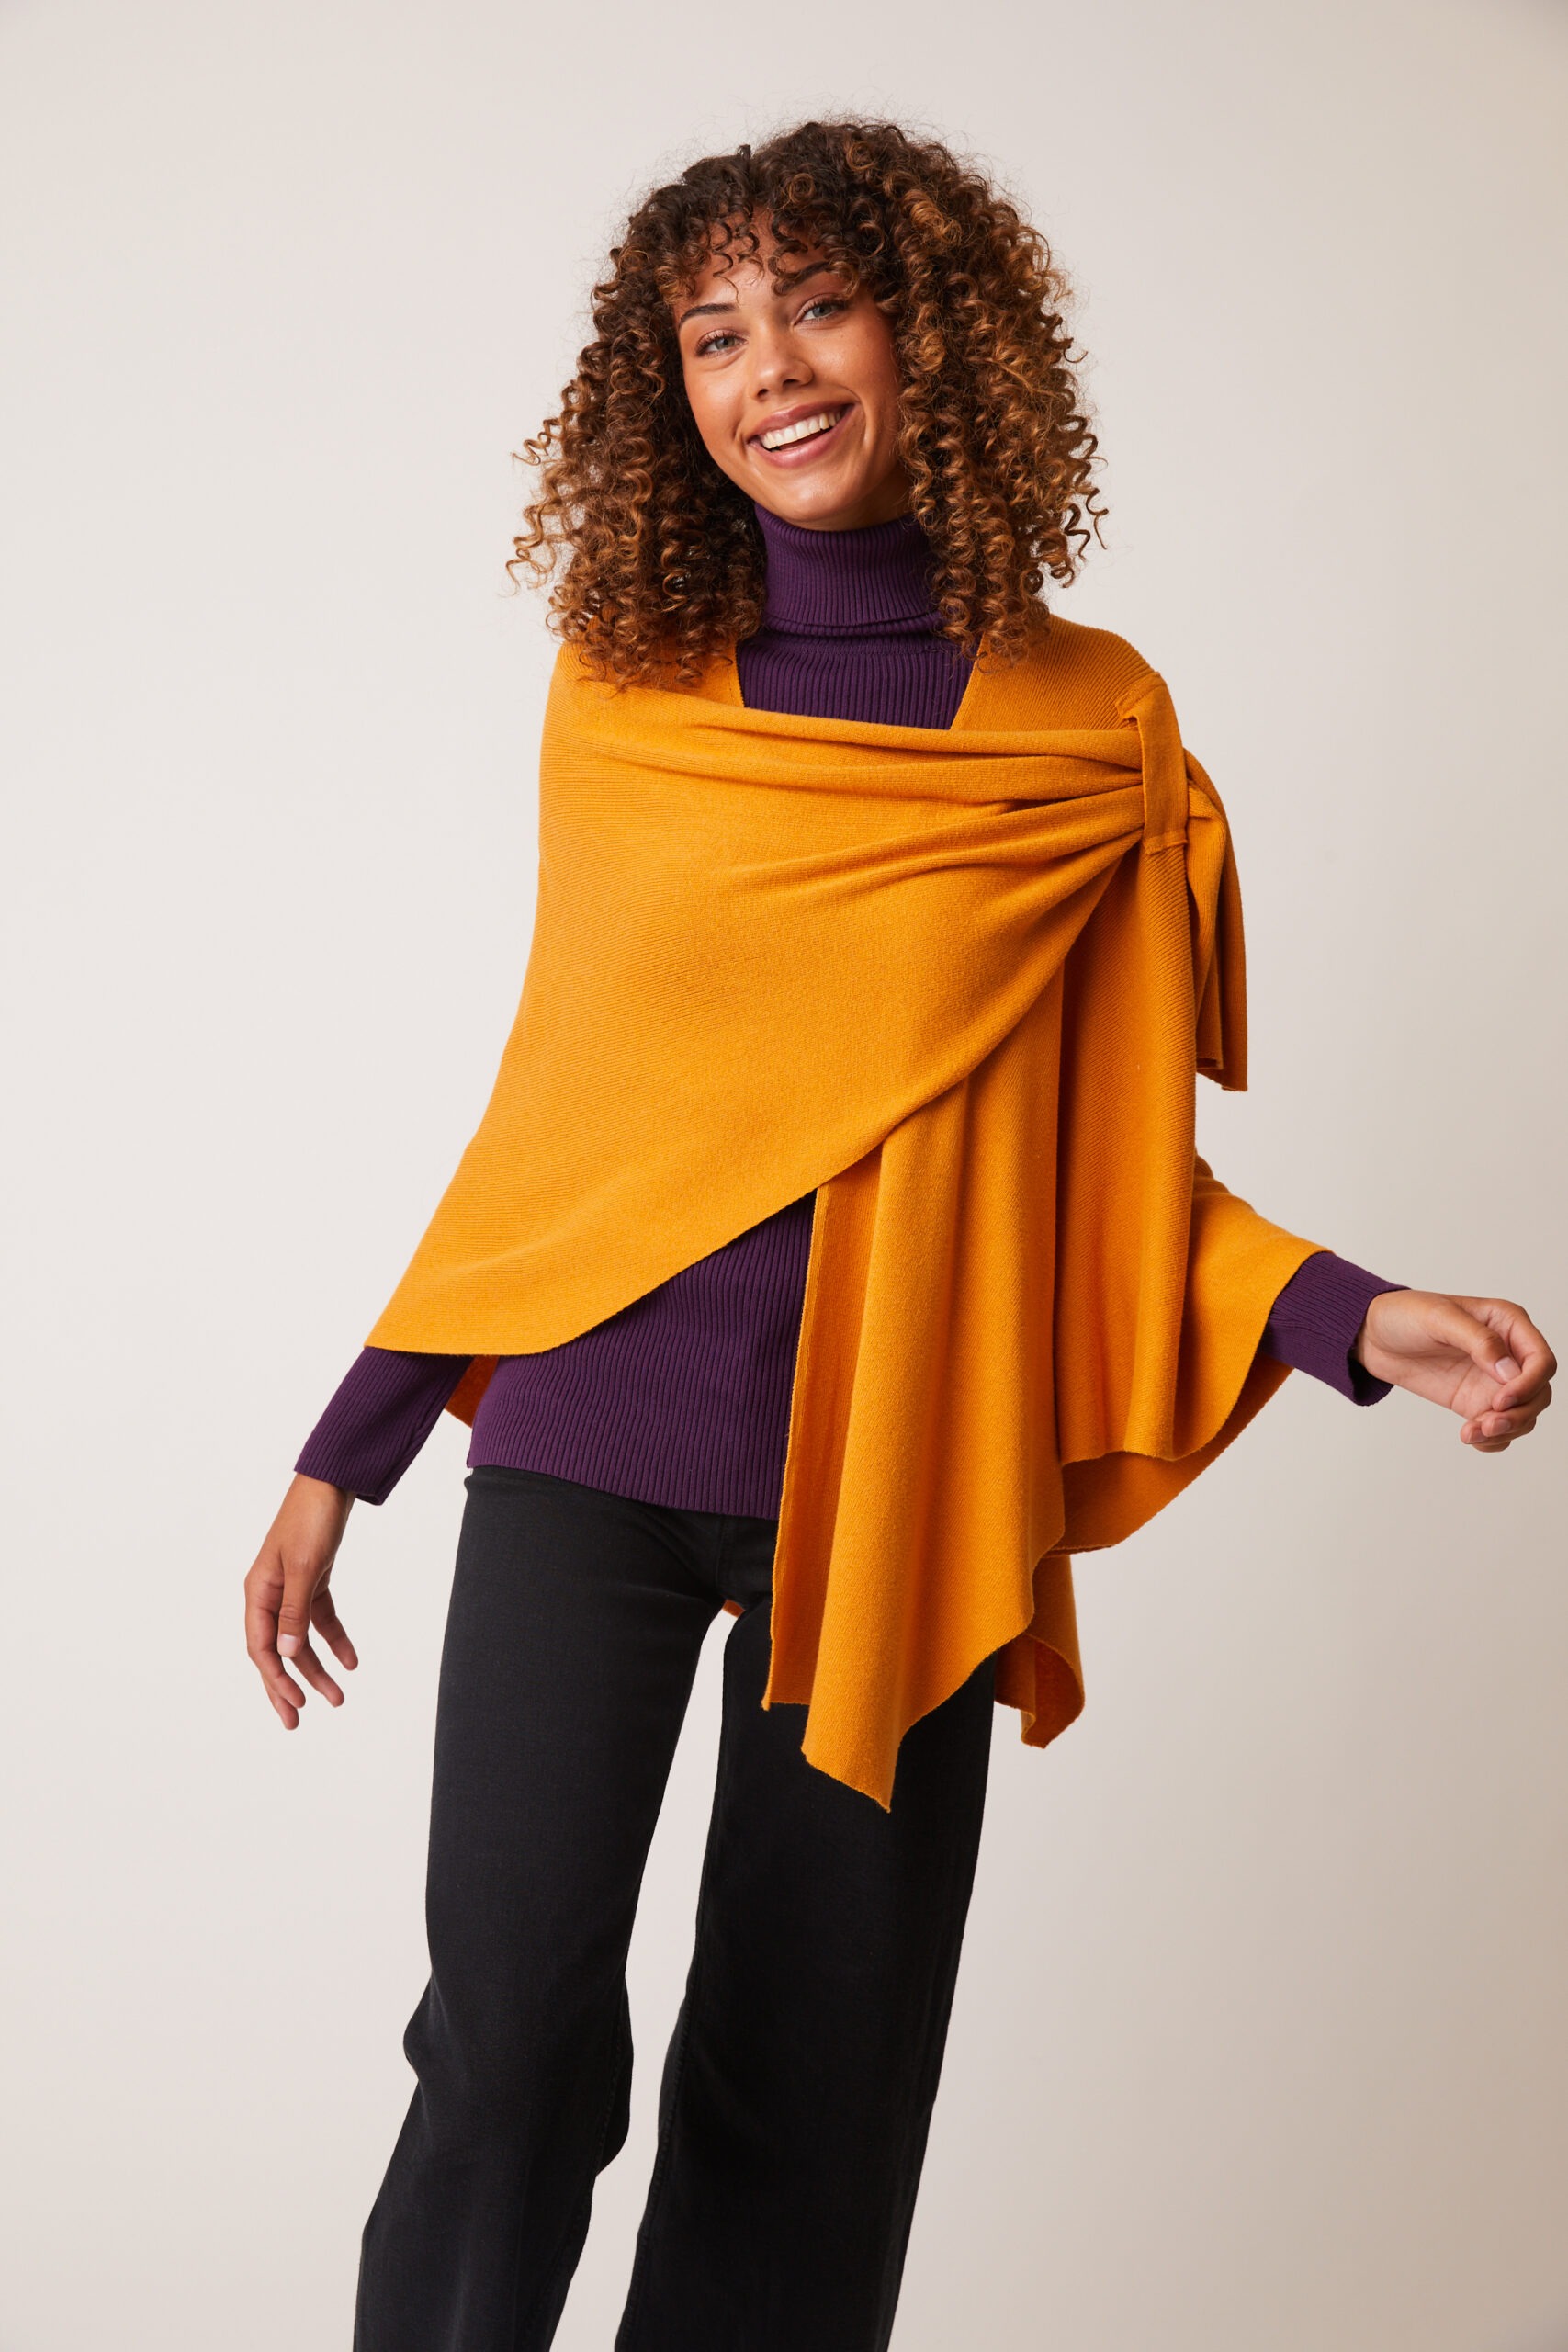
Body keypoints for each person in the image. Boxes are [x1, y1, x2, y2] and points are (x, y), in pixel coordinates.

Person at [242, 119, 1554, 2352]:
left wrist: (1355, 1319)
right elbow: (564, 1115)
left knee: (810, 2107)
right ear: (665, 384)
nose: (768, 367)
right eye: (711, 331)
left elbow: (1095, 1170)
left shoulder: (1088, 722)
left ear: (934, 335)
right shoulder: (625, 686)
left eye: (819, 304)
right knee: (508, 2050)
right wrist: (344, 1449)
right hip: (583, 1449)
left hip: (898, 1475)